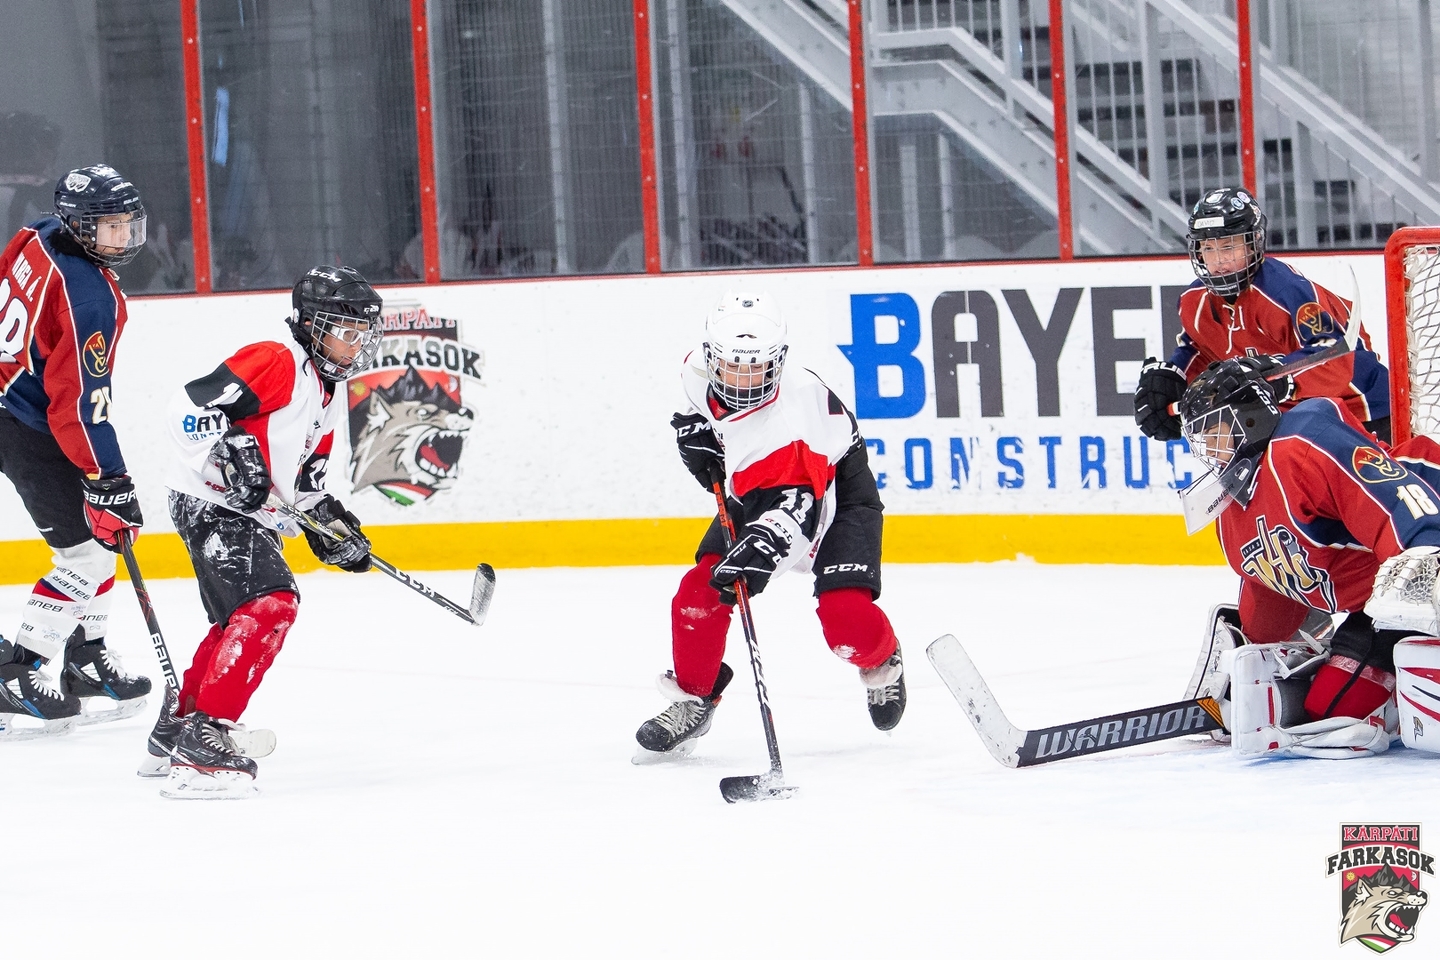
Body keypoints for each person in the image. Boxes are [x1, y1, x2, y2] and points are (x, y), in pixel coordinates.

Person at [634, 292, 904, 761]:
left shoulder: (792, 425)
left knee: (845, 623)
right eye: (732, 367)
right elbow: (706, 416)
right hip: (759, 487)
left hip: (833, 491)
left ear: (777, 362)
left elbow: (799, 512)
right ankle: (695, 698)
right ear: (712, 358)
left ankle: (884, 659)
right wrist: (698, 433)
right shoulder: (696, 373)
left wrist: (764, 548)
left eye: (757, 369)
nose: (743, 381)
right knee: (699, 591)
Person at [144, 265, 381, 798]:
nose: (357, 345)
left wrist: (329, 526)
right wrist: (227, 451)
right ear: (313, 326)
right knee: (271, 605)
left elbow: (303, 481)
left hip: (249, 513)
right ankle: (205, 741)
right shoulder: (278, 360)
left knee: (239, 618)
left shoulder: (327, 391)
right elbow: (189, 406)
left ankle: (180, 725)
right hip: (212, 501)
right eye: (347, 332)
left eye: (363, 334)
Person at [1176, 355, 1440, 759]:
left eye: (1216, 431)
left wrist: (1424, 553)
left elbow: (1391, 501)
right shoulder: (1232, 515)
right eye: (1201, 438)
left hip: (1426, 543)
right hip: (1384, 602)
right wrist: (1248, 657)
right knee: (1329, 708)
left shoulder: (1303, 440)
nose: (1210, 449)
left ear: (1249, 415)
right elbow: (1270, 591)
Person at [0, 164, 151, 738]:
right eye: (110, 227)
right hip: (24, 424)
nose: (123, 238)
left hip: (12, 401)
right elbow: (80, 403)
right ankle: (19, 671)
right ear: (80, 225)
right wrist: (108, 475)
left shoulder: (37, 232)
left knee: (103, 535)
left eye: (127, 224)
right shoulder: (90, 296)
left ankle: (86, 657)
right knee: (86, 555)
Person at [1134, 187, 1391, 445]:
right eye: (1209, 248)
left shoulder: (1284, 291)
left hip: (1364, 413)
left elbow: (1335, 358)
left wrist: (1282, 378)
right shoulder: (1194, 301)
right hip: (1294, 423)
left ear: (1253, 244)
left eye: (1228, 246)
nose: (1219, 260)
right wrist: (1173, 381)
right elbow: (1199, 350)